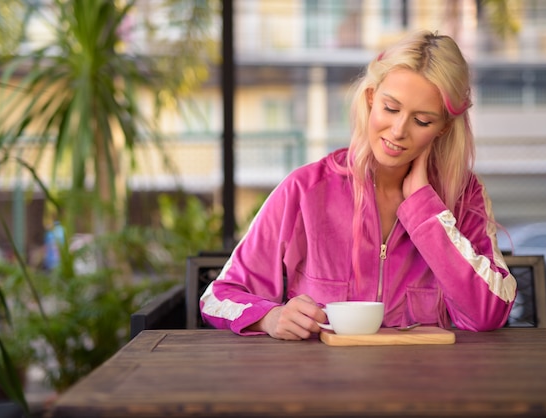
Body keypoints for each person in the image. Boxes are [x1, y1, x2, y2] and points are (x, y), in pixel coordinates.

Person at [200, 30, 517, 340]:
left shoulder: (464, 196)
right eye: (390, 108)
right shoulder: (305, 190)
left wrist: (424, 207)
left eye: (422, 121)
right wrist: (270, 317)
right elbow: (217, 297)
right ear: (370, 99)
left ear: (443, 128)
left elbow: (488, 312)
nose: (398, 130)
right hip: (323, 386)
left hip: (425, 385)